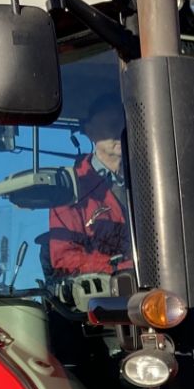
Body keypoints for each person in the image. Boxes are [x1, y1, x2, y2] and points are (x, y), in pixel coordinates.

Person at [47, 93, 129, 277]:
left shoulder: (153, 181)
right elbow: (64, 259)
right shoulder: (70, 188)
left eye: (122, 124)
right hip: (103, 298)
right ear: (90, 131)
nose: (118, 130)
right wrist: (117, 267)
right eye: (110, 125)